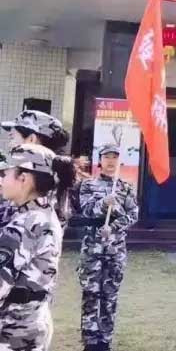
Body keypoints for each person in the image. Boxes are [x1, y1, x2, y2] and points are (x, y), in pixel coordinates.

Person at [0, 144, 74, 350]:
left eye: (5, 174)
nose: (1, 181)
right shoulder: (45, 215)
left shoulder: (25, 225)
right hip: (32, 323)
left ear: (23, 179)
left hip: (12, 332)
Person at [77, 144, 138, 351]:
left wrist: (113, 227)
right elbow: (86, 211)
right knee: (90, 294)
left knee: (110, 296)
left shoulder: (126, 187)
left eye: (114, 157)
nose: (111, 161)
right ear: (100, 161)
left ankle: (105, 341)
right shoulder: (88, 185)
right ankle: (90, 341)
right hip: (92, 249)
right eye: (107, 157)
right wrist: (104, 203)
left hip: (115, 249)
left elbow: (133, 214)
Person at [1, 110, 71, 228]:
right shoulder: (54, 177)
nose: (10, 144)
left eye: (12, 137)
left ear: (32, 139)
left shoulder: (40, 194)